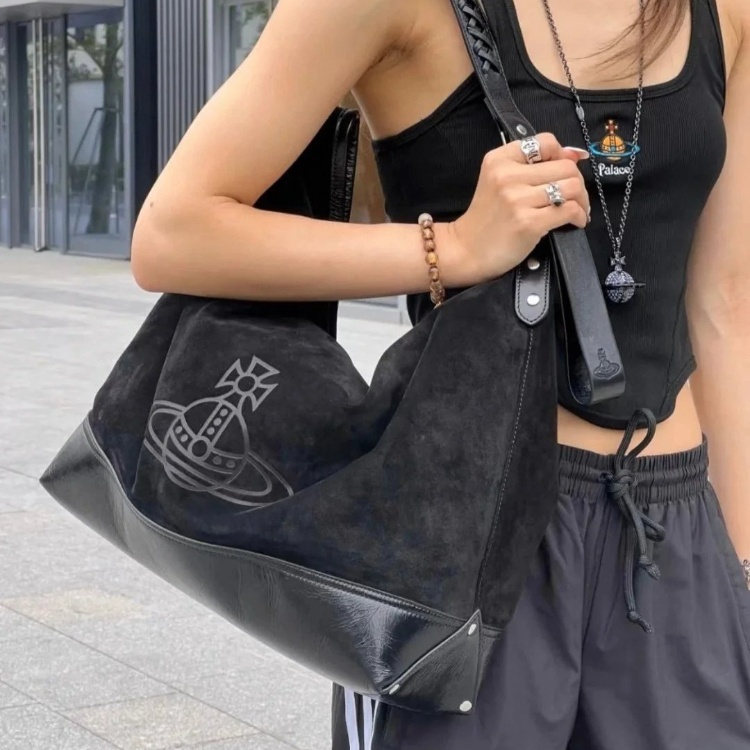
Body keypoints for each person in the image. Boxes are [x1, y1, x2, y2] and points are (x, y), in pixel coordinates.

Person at [130, 0, 750, 747]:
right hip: (464, 536)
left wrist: (742, 567)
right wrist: (453, 247)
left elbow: (725, 301)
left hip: (675, 532)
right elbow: (172, 232)